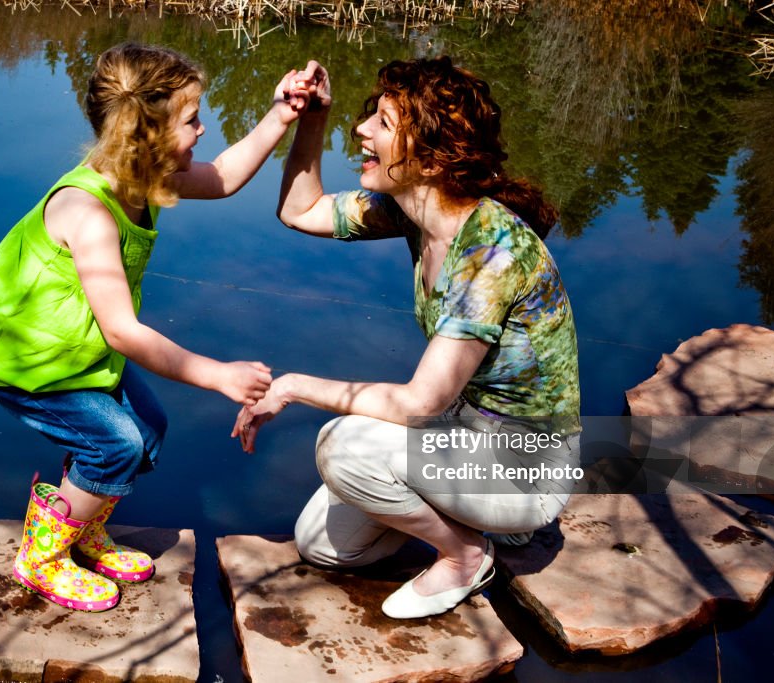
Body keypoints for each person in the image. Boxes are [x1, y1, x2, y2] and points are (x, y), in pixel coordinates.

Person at [0, 43, 311, 612]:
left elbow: (224, 178)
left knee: (149, 426)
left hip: (73, 346)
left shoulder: (144, 175)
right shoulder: (88, 211)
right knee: (115, 443)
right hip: (19, 355)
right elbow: (122, 331)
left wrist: (281, 115)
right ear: (147, 134)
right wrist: (216, 374)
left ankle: (81, 530)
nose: (203, 129)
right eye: (192, 120)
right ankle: (40, 559)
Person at [232, 57, 581, 619]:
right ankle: (465, 520)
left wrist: (292, 385)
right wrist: (311, 120)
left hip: (526, 468)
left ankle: (467, 553)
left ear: (433, 155)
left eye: (385, 123)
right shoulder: (413, 211)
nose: (363, 129)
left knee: (343, 448)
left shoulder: (490, 253)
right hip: (464, 436)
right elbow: (301, 210)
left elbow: (422, 402)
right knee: (322, 546)